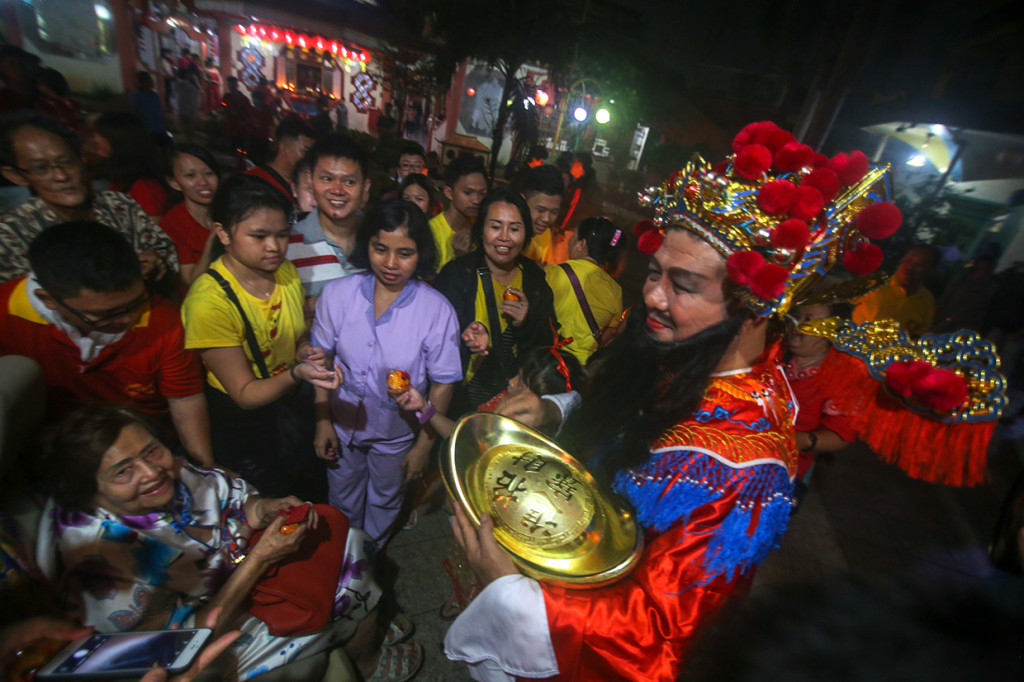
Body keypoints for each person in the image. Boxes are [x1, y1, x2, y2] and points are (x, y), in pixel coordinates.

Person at [443, 121, 906, 681]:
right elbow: (634, 420)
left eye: (683, 285)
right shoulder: (686, 355)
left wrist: (510, 594)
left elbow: (659, 638)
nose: (653, 295)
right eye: (655, 272)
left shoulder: (739, 465)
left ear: (754, 306)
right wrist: (557, 410)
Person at [33, 405, 412, 682]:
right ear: (90, 494)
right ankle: (367, 658)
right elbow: (172, 649)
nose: (152, 472)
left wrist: (263, 508)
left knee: (348, 540)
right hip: (198, 641)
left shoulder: (173, 470)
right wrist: (259, 562)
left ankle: (363, 624)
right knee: (346, 588)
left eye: (151, 451)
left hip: (235, 570)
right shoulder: (103, 561)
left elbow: (233, 500)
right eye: (123, 472)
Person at [181, 174, 341, 501]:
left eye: (282, 235)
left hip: (290, 405)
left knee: (308, 488)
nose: (274, 247)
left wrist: (303, 352)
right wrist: (297, 373)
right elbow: (244, 393)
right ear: (223, 233)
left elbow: (294, 337)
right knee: (272, 501)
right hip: (246, 422)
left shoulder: (284, 272)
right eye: (259, 236)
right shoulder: (208, 302)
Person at [311, 200, 462, 546]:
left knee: (384, 501)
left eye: (405, 253)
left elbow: (443, 383)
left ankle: (368, 562)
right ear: (367, 245)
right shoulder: (338, 295)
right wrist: (322, 420)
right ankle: (340, 563)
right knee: (342, 500)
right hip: (343, 423)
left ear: (420, 253)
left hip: (396, 434)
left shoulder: (436, 310)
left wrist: (424, 446)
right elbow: (321, 361)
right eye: (381, 249)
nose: (391, 264)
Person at [0, 221, 212, 466]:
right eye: (106, 314)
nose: (126, 319)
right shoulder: (6, 315)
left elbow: (185, 399)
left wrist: (205, 467)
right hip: (55, 453)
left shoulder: (164, 320)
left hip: (150, 442)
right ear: (48, 300)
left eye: (134, 304)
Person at [0, 111, 178, 286]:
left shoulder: (120, 206)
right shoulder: (11, 234)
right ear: (16, 176)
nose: (61, 176)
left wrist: (155, 261)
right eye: (41, 168)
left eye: (67, 162)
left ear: (81, 160)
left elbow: (166, 253)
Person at [433, 186, 559, 412]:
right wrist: (465, 336)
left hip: (511, 403)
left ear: (526, 233)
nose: (504, 237)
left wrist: (525, 323)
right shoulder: (456, 276)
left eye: (515, 228)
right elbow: (431, 337)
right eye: (495, 226)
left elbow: (548, 347)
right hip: (457, 397)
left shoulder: (535, 281)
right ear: (481, 230)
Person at [783, 300, 857, 502]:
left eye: (808, 320)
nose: (797, 324)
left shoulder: (839, 378)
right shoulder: (774, 354)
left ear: (831, 333)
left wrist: (802, 440)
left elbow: (840, 436)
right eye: (796, 316)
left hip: (785, 471)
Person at [290, 133, 371, 307]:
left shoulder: (381, 241)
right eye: (327, 179)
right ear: (311, 180)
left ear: (366, 186)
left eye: (349, 182)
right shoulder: (288, 245)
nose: (337, 190)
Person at [544, 215, 626, 364]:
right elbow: (607, 335)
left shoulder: (553, 273)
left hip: (547, 358)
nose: (569, 239)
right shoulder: (616, 291)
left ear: (581, 244)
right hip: (579, 368)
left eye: (573, 235)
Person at [89, 111, 169, 217]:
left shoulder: (144, 188)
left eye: (101, 135)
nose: (95, 140)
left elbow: (151, 229)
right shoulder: (119, 177)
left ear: (119, 139)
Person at [160, 144, 220, 284]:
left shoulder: (228, 211)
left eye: (209, 173)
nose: (203, 182)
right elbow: (193, 282)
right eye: (190, 175)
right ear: (174, 183)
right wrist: (214, 239)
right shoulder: (173, 225)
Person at [852, 244, 938, 337]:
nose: (909, 267)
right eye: (907, 261)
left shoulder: (927, 301)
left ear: (930, 270)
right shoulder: (875, 283)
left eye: (918, 265)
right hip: (854, 345)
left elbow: (919, 334)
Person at [429, 155, 488, 270]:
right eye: (468, 192)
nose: (476, 200)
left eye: (482, 193)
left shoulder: (484, 230)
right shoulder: (431, 232)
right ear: (449, 193)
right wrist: (460, 260)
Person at [245, 116, 315, 206]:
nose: (309, 159)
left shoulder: (307, 187)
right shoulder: (253, 181)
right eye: (306, 152)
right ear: (284, 147)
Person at [520, 165, 565, 266]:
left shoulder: (545, 234)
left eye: (554, 212)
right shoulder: (505, 234)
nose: (546, 219)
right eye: (540, 210)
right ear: (523, 201)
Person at [130, 70, 169, 148]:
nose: (152, 83)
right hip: (147, 129)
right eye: (149, 81)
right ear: (143, 82)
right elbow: (134, 111)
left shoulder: (154, 95)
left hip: (159, 127)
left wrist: (165, 123)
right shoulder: (137, 95)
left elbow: (160, 110)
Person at [221, 77, 252, 155]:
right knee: (231, 147)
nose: (230, 87)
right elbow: (223, 107)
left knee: (240, 147)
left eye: (232, 85)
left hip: (240, 127)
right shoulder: (226, 97)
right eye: (229, 85)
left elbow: (248, 112)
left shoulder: (243, 99)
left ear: (236, 85)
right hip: (230, 125)